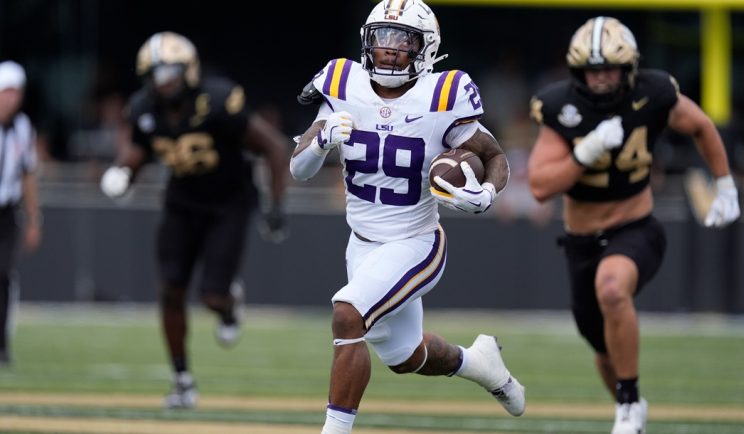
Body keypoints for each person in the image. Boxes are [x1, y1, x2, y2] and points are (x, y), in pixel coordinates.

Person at [290, 1, 524, 432]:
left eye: (404, 40)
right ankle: (480, 364)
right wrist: (321, 141)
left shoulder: (443, 94)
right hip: (361, 243)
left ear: (426, 47)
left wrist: (486, 193)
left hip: (416, 241)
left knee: (347, 311)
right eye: (382, 37)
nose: (391, 49)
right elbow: (298, 169)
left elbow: (494, 156)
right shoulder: (343, 83)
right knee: (404, 356)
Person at [527, 16, 740, 434]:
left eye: (610, 68)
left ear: (630, 68)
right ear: (577, 72)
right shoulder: (561, 107)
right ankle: (632, 406)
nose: (602, 78)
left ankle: (626, 405)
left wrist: (727, 184)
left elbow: (700, 125)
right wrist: (583, 154)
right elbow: (539, 186)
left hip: (635, 228)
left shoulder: (654, 92)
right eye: (593, 70)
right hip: (581, 241)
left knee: (612, 287)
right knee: (603, 350)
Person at [99, 31, 289, 408]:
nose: (162, 81)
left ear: (188, 69)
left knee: (212, 296)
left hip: (228, 203)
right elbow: (139, 149)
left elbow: (273, 146)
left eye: (169, 71)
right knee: (170, 290)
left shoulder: (217, 100)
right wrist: (123, 171)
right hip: (181, 203)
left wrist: (276, 205)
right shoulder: (144, 109)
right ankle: (182, 380)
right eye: (155, 73)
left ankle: (229, 304)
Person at [0, 61, 43, 367]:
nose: (11, 98)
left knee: (3, 275)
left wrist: (33, 218)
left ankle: (1, 344)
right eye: (6, 92)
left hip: (6, 211)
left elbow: (28, 175)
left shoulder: (23, 127)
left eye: (16, 92)